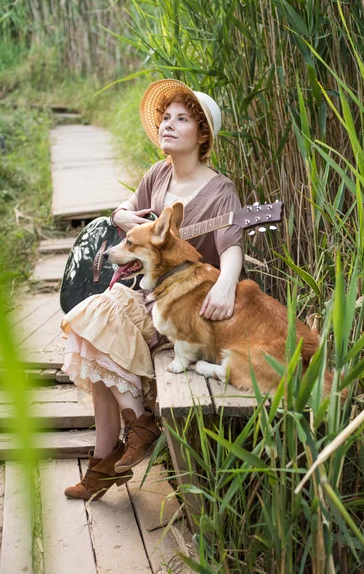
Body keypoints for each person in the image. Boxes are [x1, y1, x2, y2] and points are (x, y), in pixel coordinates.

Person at [61, 79, 245, 500]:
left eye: (182, 119)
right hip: (143, 296)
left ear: (202, 135)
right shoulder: (157, 175)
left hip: (179, 310)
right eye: (165, 118)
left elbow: (232, 246)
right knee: (92, 332)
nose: (168, 124)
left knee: (95, 321)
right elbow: (124, 212)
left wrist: (227, 285)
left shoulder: (220, 191)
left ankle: (109, 456)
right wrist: (125, 218)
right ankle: (125, 440)